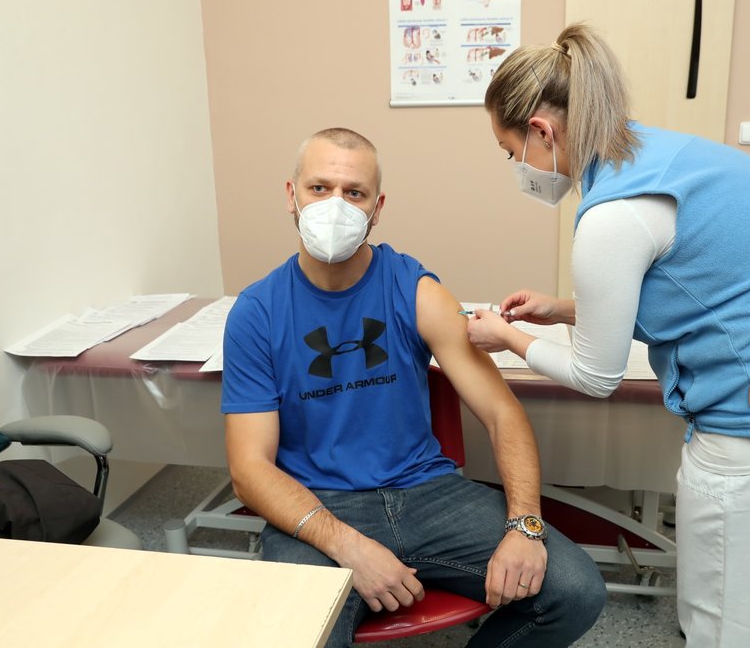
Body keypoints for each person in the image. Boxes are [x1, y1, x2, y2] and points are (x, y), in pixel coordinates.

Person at [467, 24, 750, 648]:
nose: (514, 167)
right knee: (733, 597)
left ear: (541, 132)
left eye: (508, 150)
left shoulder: (610, 219)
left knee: (732, 626)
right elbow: (687, 282)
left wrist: (509, 339)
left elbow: (596, 376)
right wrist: (561, 309)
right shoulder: (657, 153)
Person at [221, 127, 606, 648]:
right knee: (300, 630)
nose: (335, 205)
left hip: (428, 492)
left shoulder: (414, 289)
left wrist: (525, 526)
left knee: (575, 590)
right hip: (320, 502)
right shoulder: (257, 312)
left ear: (376, 208)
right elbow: (249, 470)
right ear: (292, 196)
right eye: (319, 188)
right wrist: (348, 546)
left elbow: (501, 413)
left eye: (353, 193)